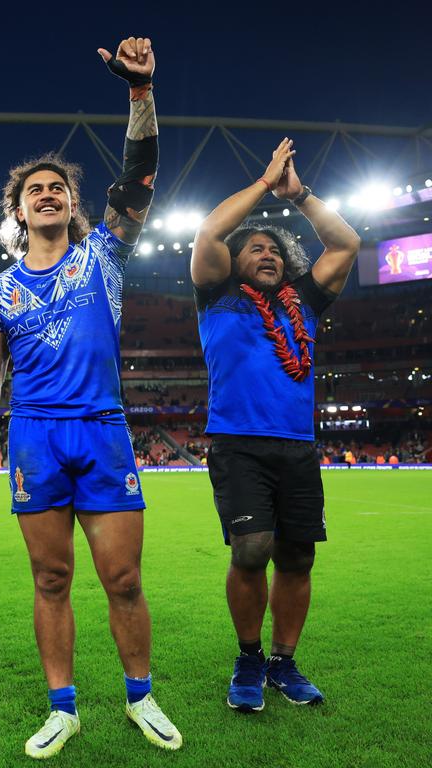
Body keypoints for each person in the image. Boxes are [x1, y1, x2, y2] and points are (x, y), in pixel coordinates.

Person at [0, 37, 181, 758]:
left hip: (102, 431)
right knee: (51, 579)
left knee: (123, 577)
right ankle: (64, 709)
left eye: (57, 188)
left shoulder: (103, 256)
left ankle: (141, 697)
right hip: (36, 440)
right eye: (33, 191)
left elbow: (140, 175)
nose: (46, 194)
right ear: (18, 211)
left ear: (74, 203)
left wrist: (140, 94)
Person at [192, 139, 359, 712]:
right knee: (251, 549)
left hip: (298, 448)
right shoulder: (217, 295)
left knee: (297, 557)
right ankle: (248, 656)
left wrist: (301, 196)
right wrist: (265, 184)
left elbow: (347, 243)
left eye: (274, 249)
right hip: (239, 445)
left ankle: (284, 663)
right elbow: (210, 235)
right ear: (236, 262)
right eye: (255, 248)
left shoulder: (305, 301)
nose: (267, 253)